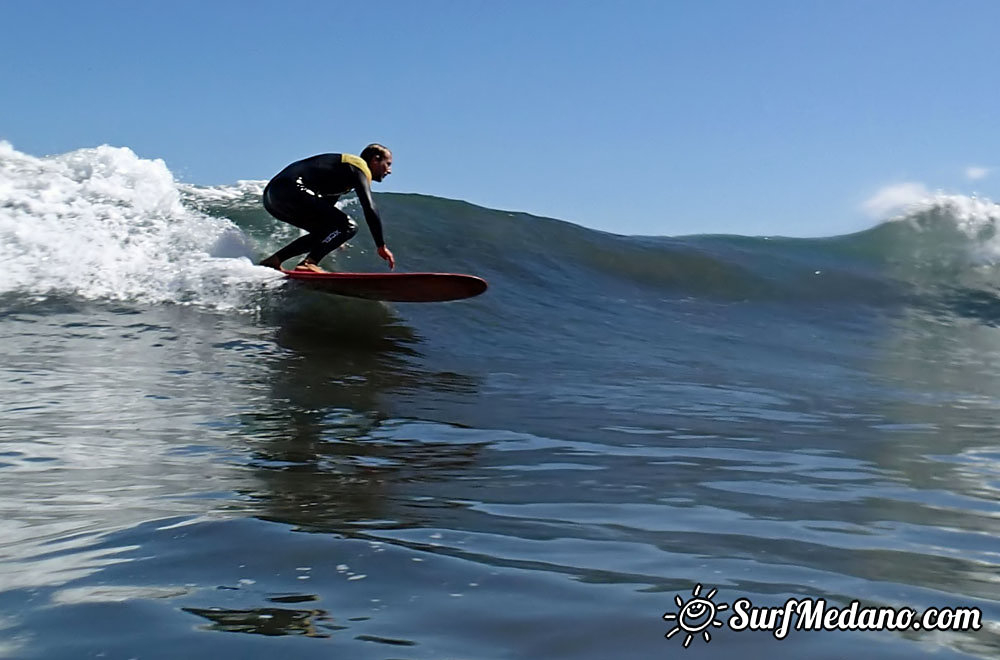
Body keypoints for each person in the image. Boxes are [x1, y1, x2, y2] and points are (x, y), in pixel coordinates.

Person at [259, 144, 395, 273]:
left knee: (326, 231)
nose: (389, 171)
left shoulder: (343, 172)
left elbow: (325, 209)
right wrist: (380, 246)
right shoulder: (359, 167)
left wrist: (335, 236)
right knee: (350, 226)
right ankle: (308, 263)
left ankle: (274, 260)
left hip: (272, 196)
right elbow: (369, 207)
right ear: (375, 159)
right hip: (290, 189)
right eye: (388, 164)